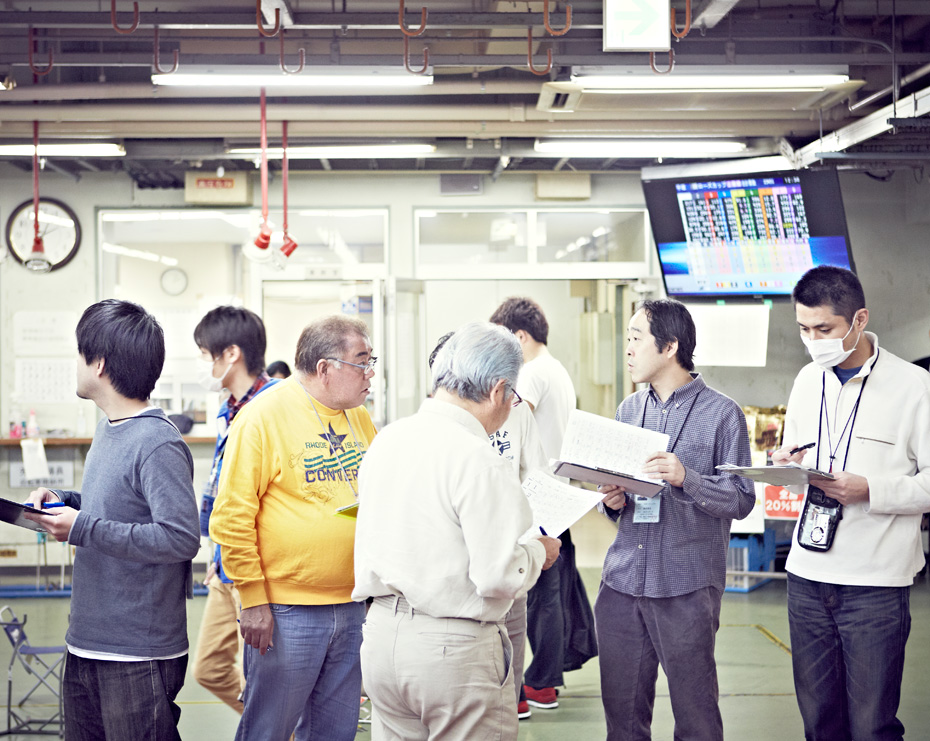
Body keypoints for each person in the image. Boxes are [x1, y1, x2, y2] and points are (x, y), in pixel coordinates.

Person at [354, 322, 561, 740]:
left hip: (382, 639)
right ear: (497, 391)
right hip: (452, 650)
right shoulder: (478, 458)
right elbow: (498, 575)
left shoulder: (388, 439)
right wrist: (539, 553)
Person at [23, 299, 200, 741]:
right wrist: (63, 501)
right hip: (86, 640)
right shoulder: (110, 427)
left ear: (99, 363)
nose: (76, 364)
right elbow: (117, 505)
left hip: (137, 653)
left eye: (80, 354)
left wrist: (80, 527)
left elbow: (179, 537)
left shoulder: (157, 442)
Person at [772, 266, 930, 741]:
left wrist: (871, 490)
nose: (813, 340)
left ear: (859, 319)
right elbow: (797, 455)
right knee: (820, 722)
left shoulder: (912, 386)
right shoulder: (806, 380)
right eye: (803, 329)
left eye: (824, 329)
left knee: (872, 726)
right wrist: (783, 462)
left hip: (875, 585)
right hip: (806, 577)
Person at [209, 315, 378, 741]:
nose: (370, 373)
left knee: (335, 733)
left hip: (352, 607)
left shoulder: (359, 419)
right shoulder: (262, 417)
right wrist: (252, 600)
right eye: (362, 362)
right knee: (268, 730)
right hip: (286, 612)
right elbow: (231, 516)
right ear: (325, 368)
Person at [596, 299, 755, 741]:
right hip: (622, 583)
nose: (626, 348)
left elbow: (742, 500)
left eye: (634, 338)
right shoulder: (628, 411)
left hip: (686, 588)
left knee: (697, 719)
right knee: (623, 721)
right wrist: (611, 501)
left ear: (669, 346)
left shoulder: (723, 414)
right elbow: (617, 504)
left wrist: (688, 479)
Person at [428, 331, 549, 721]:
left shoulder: (516, 411)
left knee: (504, 679)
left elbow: (537, 475)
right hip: (450, 579)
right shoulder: (429, 430)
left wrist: (532, 539)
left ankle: (510, 706)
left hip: (507, 560)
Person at [490, 296, 590, 710]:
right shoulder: (558, 370)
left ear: (519, 336)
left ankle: (540, 684)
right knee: (555, 592)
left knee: (539, 595)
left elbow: (508, 423)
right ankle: (546, 679)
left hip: (537, 499)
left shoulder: (530, 373)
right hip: (557, 495)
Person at [191, 306, 278, 713]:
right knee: (208, 668)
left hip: (256, 569)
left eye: (206, 354)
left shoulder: (269, 408)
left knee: (261, 682)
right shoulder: (230, 409)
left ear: (230, 354)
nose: (204, 364)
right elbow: (223, 490)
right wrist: (217, 552)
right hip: (225, 564)